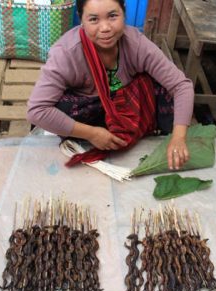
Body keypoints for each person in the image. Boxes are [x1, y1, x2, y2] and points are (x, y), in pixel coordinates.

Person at [27, 0, 194, 170]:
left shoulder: (136, 43)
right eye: (93, 20)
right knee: (59, 108)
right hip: (89, 110)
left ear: (124, 13)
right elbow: (37, 110)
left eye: (113, 16)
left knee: (164, 89)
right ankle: (95, 135)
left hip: (126, 103)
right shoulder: (65, 53)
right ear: (81, 20)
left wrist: (179, 137)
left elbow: (181, 85)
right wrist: (92, 134)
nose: (105, 28)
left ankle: (139, 131)